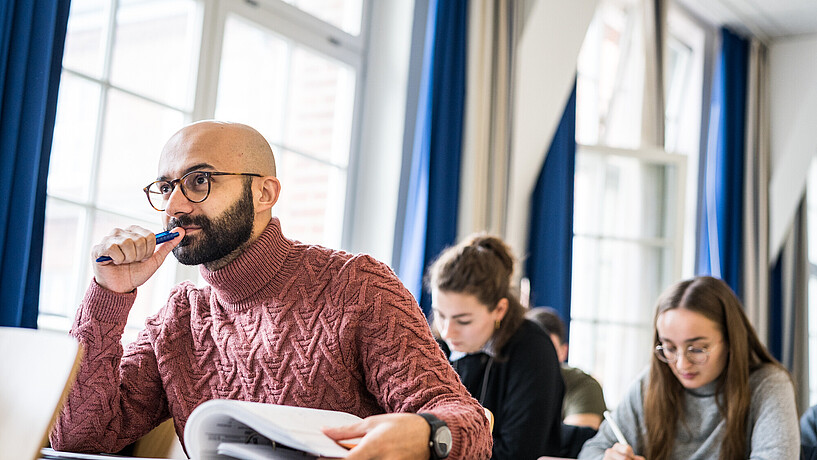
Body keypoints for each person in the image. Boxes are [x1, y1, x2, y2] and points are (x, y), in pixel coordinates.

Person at [49, 121, 492, 459]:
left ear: (264, 193)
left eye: (199, 181)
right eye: (166, 188)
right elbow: (80, 437)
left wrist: (427, 434)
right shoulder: (178, 318)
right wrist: (109, 293)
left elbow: (469, 423)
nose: (174, 207)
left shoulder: (357, 285)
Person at [578, 276, 799, 460]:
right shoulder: (651, 383)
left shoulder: (768, 384)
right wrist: (606, 458)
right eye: (669, 348)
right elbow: (590, 451)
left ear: (732, 341)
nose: (682, 364)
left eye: (697, 349)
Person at [426, 234, 564, 460]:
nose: (448, 331)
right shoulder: (436, 343)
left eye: (464, 321)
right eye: (440, 315)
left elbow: (517, 454)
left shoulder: (533, 350)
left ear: (499, 310)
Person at [527, 307, 607, 430]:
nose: (538, 359)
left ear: (563, 352)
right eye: (530, 351)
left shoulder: (584, 386)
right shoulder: (508, 384)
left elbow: (573, 442)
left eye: (547, 352)